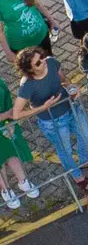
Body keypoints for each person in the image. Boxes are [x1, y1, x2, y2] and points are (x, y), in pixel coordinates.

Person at [13, 48, 88, 184]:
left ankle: (84, 161)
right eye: (38, 63)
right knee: (65, 150)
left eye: (42, 57)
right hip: (53, 121)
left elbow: (63, 80)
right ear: (29, 70)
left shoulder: (51, 62)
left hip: (71, 108)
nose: (43, 61)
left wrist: (72, 87)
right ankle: (77, 176)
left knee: (87, 135)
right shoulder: (27, 85)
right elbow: (16, 114)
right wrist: (43, 107)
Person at [0, 67, 41, 208]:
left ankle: (22, 181)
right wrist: (7, 116)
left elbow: (6, 99)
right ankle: (5, 189)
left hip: (4, 124)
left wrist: (9, 122)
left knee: (12, 151)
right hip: (3, 119)